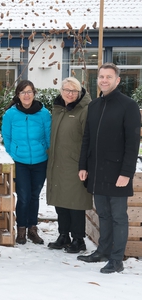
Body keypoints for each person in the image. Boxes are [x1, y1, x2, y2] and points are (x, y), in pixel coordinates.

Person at [77, 63, 140, 274]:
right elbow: (87, 139)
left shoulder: (128, 106)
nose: (104, 80)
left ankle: (116, 260)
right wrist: (83, 165)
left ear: (117, 80)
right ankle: (102, 251)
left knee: (118, 217)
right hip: (96, 171)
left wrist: (126, 173)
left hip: (117, 173)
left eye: (109, 77)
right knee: (103, 214)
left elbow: (133, 143)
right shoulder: (94, 106)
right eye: (101, 76)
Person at [1, 80, 51, 245]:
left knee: (34, 196)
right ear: (18, 95)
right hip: (20, 161)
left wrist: (47, 150)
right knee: (23, 196)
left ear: (34, 93)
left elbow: (48, 136)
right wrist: (12, 153)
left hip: (40, 161)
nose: (27, 95)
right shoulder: (10, 114)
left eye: (29, 92)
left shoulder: (44, 114)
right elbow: (6, 137)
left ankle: (32, 229)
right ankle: (21, 229)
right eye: (23, 92)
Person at [46, 77, 92, 253]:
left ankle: (78, 239)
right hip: (58, 162)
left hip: (75, 164)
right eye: (66, 90)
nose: (70, 94)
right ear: (61, 91)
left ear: (79, 93)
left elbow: (87, 138)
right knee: (61, 202)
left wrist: (85, 164)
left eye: (74, 91)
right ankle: (63, 235)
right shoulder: (58, 109)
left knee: (76, 203)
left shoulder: (85, 110)